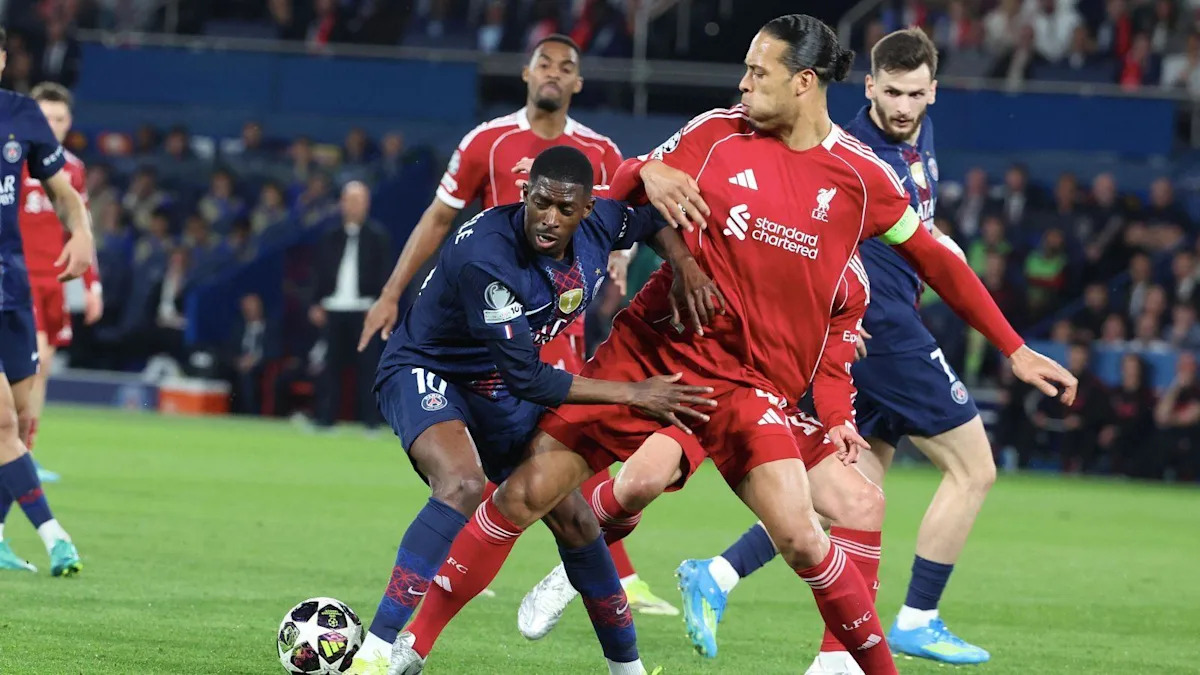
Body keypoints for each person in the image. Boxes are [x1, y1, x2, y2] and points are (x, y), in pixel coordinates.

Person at [400, 15, 1076, 675]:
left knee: (804, 537)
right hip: (659, 348)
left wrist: (1013, 348)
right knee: (527, 492)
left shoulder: (860, 177)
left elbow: (937, 260)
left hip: (752, 384)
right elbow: (621, 187)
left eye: (758, 71)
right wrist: (647, 171)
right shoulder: (716, 133)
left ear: (804, 81)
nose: (744, 83)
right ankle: (404, 650)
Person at [678, 29, 999, 672]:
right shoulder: (852, 154)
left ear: (933, 91)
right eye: (892, 93)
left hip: (879, 329)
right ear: (869, 87)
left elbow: (915, 229)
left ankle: (722, 575)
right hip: (879, 333)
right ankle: (917, 618)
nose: (903, 107)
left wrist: (941, 243)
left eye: (915, 94)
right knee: (975, 469)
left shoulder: (919, 138)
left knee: (850, 494)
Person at [352, 146, 713, 675]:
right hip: (428, 368)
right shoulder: (488, 258)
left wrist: (683, 264)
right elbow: (528, 378)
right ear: (525, 193)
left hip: (495, 383)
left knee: (578, 521)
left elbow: (651, 220)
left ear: (587, 208)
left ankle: (627, 668)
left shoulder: (601, 225)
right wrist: (634, 393)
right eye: (540, 203)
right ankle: (375, 652)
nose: (549, 218)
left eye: (565, 209)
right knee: (462, 483)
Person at [358, 34, 676, 615]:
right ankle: (469, 570)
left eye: (565, 67)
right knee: (493, 469)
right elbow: (439, 218)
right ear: (526, 73)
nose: (553, 73)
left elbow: (622, 217)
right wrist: (391, 291)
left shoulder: (601, 151)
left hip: (562, 324)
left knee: (569, 458)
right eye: (543, 63)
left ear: (578, 82)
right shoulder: (487, 141)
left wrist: (625, 260)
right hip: (491, 321)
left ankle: (606, 579)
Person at [0, 26, 93, 576]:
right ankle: (56, 537)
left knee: (21, 418)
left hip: (12, 291)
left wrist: (81, 232)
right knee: (3, 425)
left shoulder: (21, 115)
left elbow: (65, 193)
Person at [15, 82, 102, 485]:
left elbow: (80, 231)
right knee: (32, 365)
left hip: (53, 280)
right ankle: (15, 453)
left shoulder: (73, 169)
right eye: (44, 117)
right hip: (16, 277)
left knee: (43, 368)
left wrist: (91, 286)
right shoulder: (11, 158)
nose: (51, 125)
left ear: (70, 123)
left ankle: (26, 453)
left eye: (59, 118)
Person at [309, 181, 391, 431]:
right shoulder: (329, 236)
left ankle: (371, 422)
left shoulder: (378, 237)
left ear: (367, 204)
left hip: (364, 310)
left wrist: (379, 305)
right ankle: (325, 419)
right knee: (329, 367)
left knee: (368, 367)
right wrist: (315, 303)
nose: (354, 206)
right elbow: (318, 272)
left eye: (359, 201)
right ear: (342, 203)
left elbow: (386, 274)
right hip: (332, 308)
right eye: (350, 200)